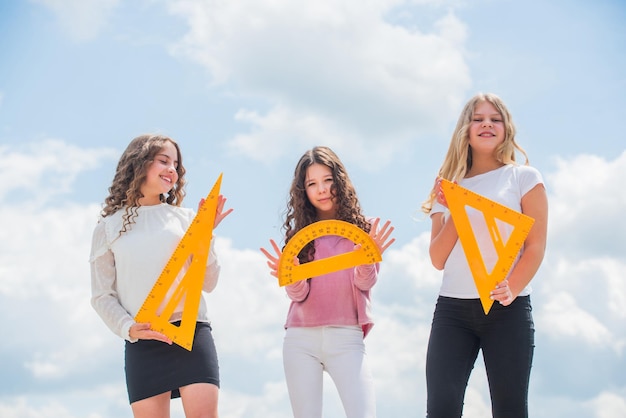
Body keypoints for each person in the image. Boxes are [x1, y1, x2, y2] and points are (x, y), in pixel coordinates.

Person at [421, 93, 548, 418]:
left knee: (509, 410)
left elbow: (535, 246)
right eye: (478, 118)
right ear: (465, 128)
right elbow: (437, 258)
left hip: (508, 309)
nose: (487, 124)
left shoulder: (524, 178)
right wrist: (458, 212)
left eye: (495, 118)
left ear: (506, 128)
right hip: (452, 311)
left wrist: (513, 285)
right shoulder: (447, 187)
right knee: (441, 409)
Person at [89, 134, 233, 418]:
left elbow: (209, 282)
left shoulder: (187, 219)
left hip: (191, 334)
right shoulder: (107, 228)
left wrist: (205, 236)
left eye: (176, 165)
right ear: (140, 163)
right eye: (164, 161)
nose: (172, 170)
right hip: (143, 342)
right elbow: (101, 296)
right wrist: (128, 328)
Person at [261, 146, 395, 418]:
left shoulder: (364, 228)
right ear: (303, 191)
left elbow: (365, 284)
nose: (321, 189)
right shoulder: (298, 236)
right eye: (312, 183)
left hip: (347, 336)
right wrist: (292, 275)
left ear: (340, 181)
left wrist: (366, 260)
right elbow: (297, 295)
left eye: (328, 180)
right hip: (300, 339)